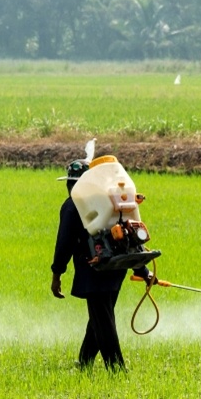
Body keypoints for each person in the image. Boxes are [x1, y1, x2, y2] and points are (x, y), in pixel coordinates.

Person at [50, 158, 150, 372]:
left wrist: (57, 274)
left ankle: (117, 370)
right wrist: (143, 270)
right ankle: (84, 362)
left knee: (103, 321)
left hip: (94, 269)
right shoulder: (110, 201)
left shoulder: (72, 205)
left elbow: (64, 242)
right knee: (100, 317)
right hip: (117, 267)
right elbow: (129, 239)